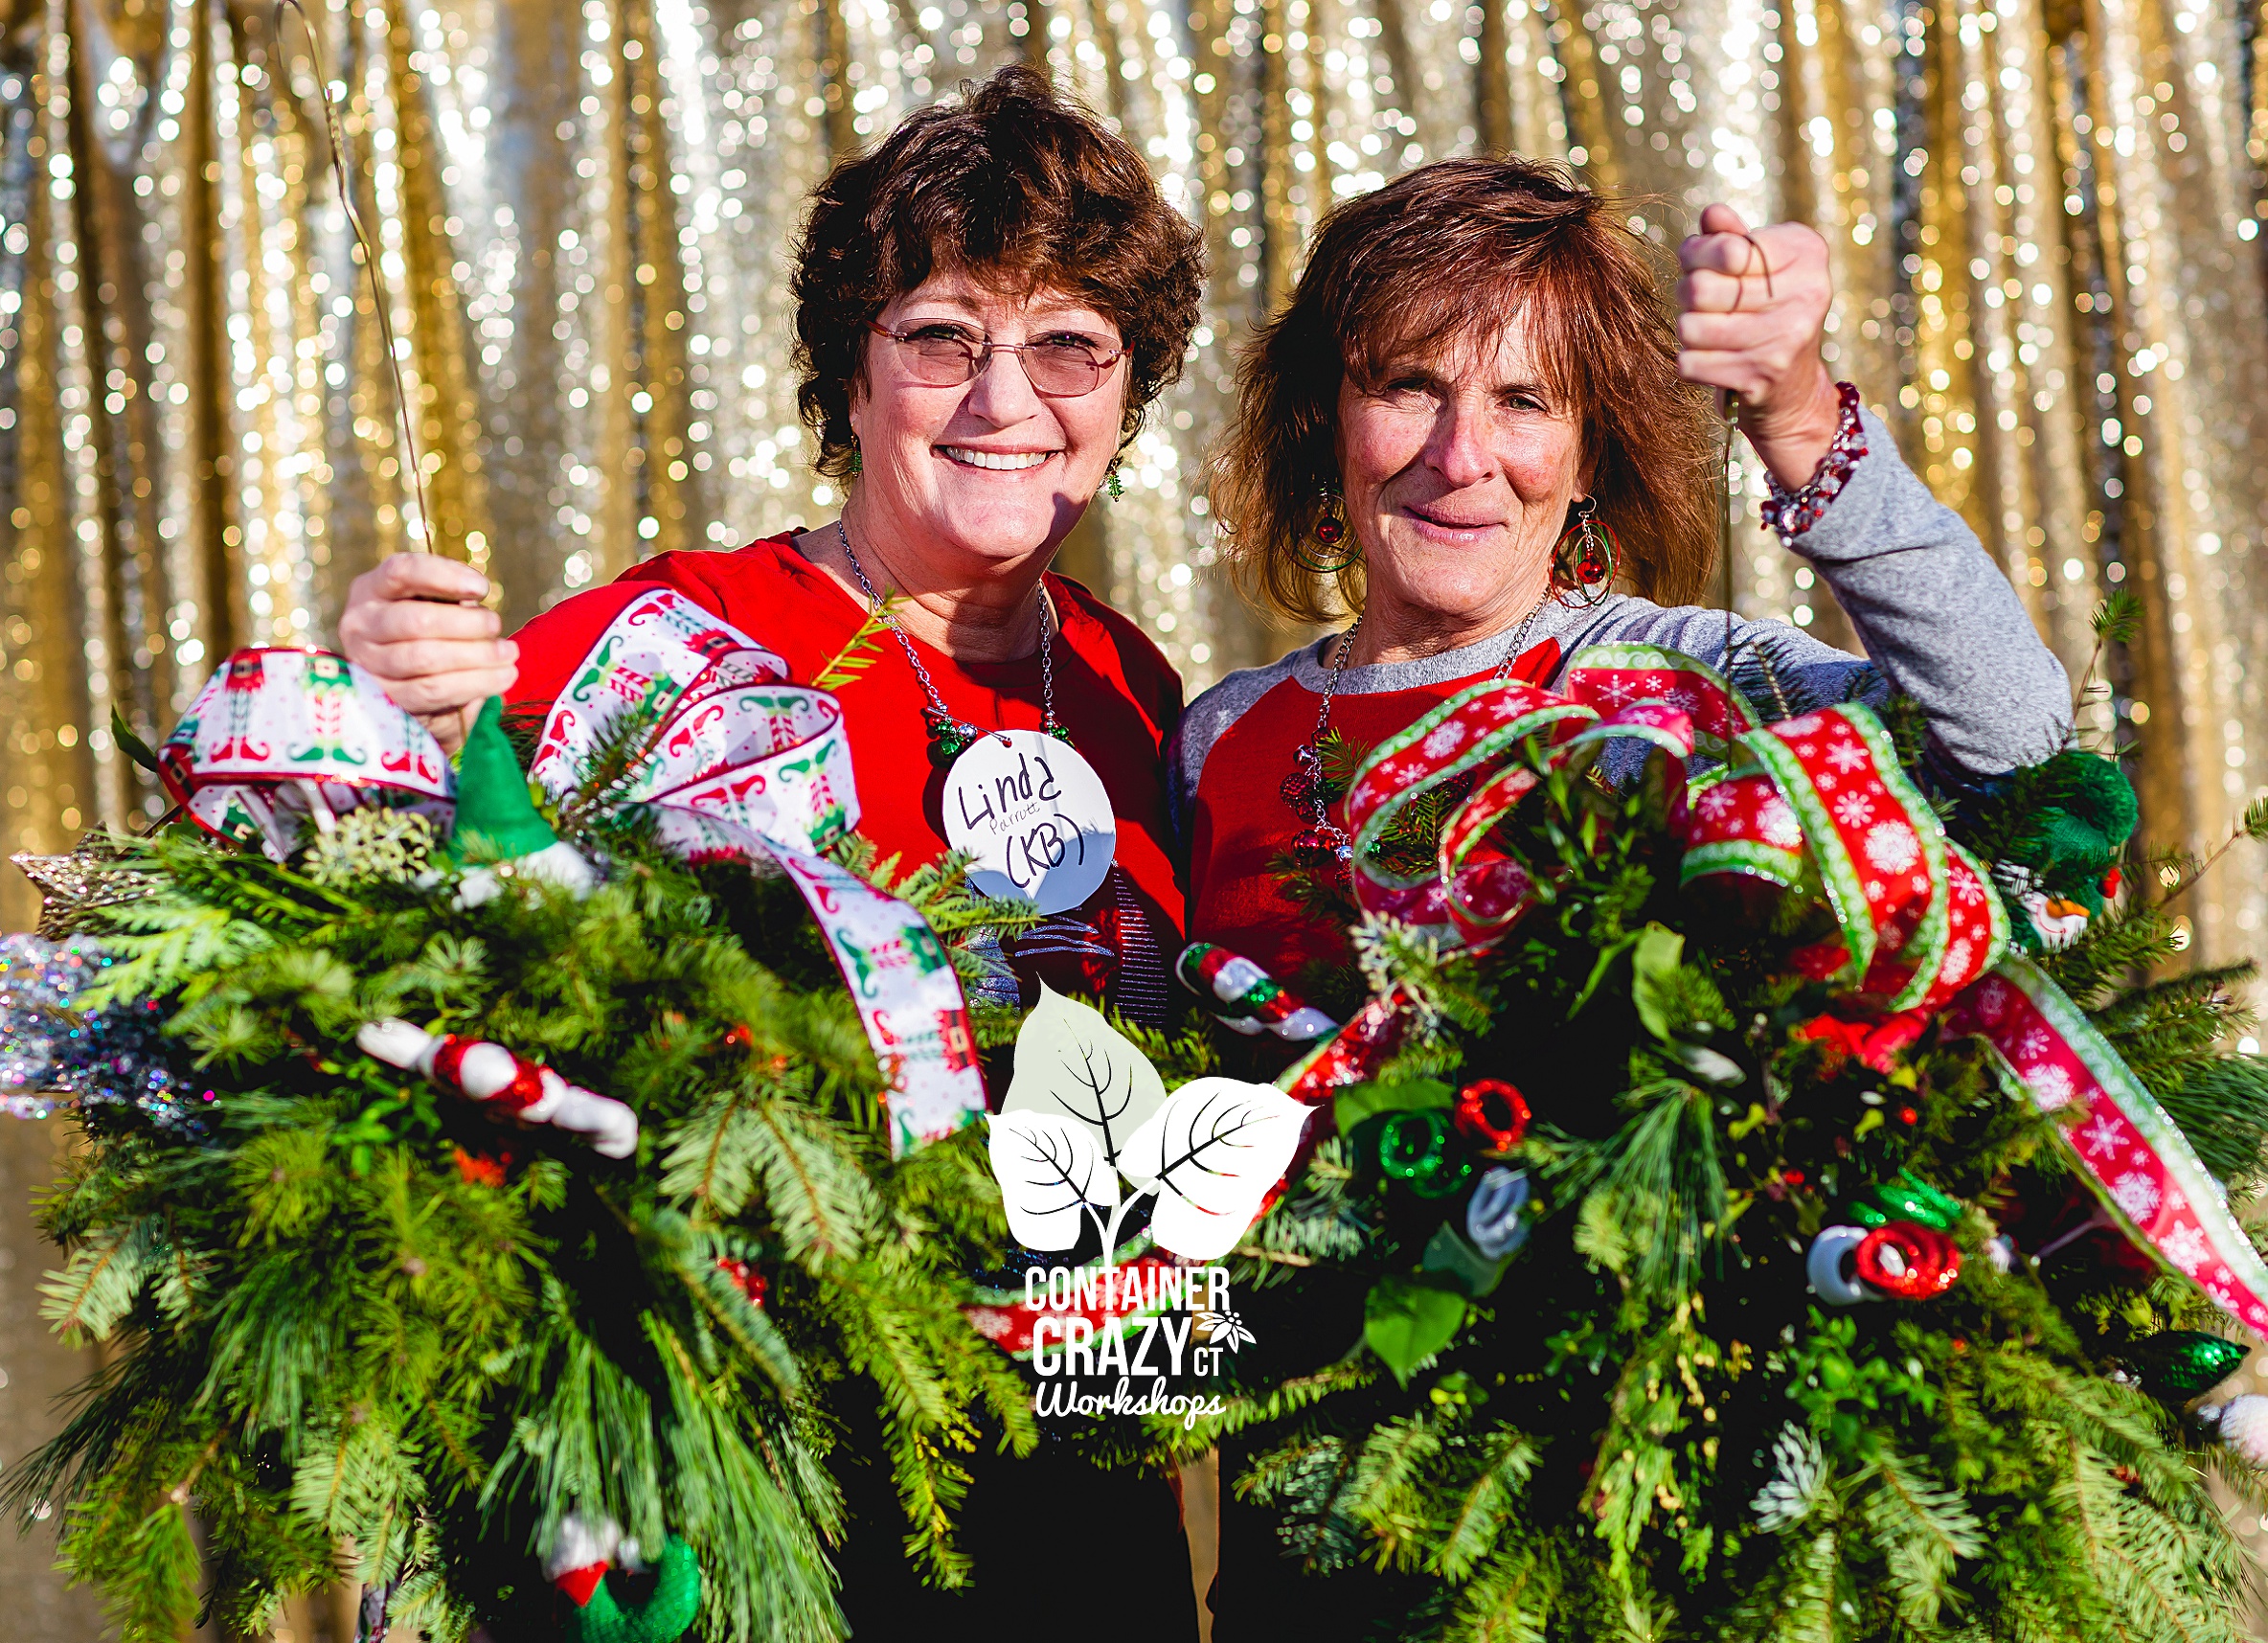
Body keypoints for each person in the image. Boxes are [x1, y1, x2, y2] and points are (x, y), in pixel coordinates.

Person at [339, 67, 1206, 1641]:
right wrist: (395, 710)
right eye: (940, 337)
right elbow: (417, 911)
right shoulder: (670, 643)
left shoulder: (1132, 685)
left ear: (1126, 393)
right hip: (763, 1498)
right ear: (849, 379)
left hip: (1081, 1495)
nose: (1004, 400)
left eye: (1069, 343)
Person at [1171, 160, 2071, 1634]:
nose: (1461, 455)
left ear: (1589, 455)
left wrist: (1794, 416)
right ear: (1323, 420)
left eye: (1525, 402)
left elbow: (2014, 742)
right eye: (1406, 387)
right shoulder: (1218, 740)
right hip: (1309, 1538)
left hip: (1621, 1529)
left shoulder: (1676, 680)